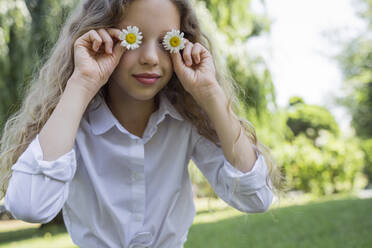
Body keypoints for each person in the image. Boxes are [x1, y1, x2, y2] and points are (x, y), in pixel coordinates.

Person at [0, 0, 283, 247]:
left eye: (166, 42)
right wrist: (82, 82)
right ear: (101, 37)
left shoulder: (187, 120)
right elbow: (29, 207)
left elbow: (256, 198)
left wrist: (210, 94)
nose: (150, 58)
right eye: (132, 39)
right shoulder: (71, 124)